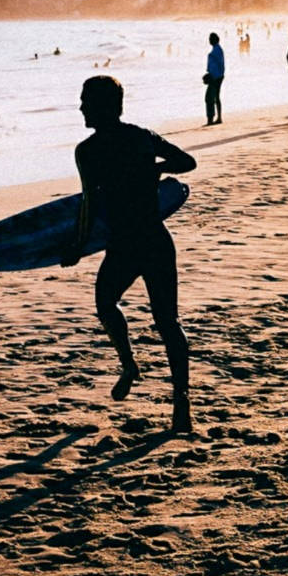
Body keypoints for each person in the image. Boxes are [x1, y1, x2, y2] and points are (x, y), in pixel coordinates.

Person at [61, 76, 197, 434]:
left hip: (125, 244)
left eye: (86, 102)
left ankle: (132, 366)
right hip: (153, 239)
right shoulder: (142, 137)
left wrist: (77, 246)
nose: (81, 108)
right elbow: (186, 162)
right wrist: (157, 168)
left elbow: (89, 204)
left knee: (108, 304)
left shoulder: (87, 152)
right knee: (168, 322)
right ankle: (177, 398)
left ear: (105, 106)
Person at [203, 32, 225, 126]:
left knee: (209, 98)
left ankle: (211, 119)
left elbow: (219, 65)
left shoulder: (217, 50)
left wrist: (214, 76)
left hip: (215, 77)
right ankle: (218, 117)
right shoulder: (217, 49)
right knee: (216, 97)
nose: (209, 40)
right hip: (216, 76)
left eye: (210, 39)